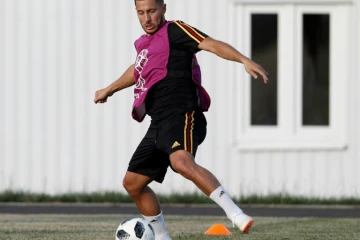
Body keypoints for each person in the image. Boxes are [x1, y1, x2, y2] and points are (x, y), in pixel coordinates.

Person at [94, 0, 268, 239]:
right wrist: (109, 89)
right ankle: (163, 237)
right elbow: (138, 69)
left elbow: (212, 44)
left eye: (152, 11)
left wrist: (243, 59)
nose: (147, 19)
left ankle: (236, 214)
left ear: (164, 8)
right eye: (141, 13)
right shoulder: (144, 44)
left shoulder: (175, 30)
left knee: (181, 162)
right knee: (133, 183)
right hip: (159, 122)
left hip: (183, 114)